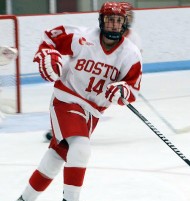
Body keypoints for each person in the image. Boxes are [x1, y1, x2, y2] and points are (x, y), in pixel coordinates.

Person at [8, 1, 142, 201]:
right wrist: (46, 53)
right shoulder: (82, 37)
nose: (113, 23)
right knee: (81, 148)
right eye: (109, 18)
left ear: (123, 23)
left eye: (118, 20)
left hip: (93, 112)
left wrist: (123, 91)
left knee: (55, 158)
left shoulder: (130, 52)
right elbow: (50, 37)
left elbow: (133, 88)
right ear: (101, 20)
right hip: (67, 99)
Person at [43, 2, 142, 142]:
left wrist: (124, 87)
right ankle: (62, 132)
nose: (115, 23)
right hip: (79, 83)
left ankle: (72, 136)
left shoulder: (133, 40)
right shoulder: (91, 37)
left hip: (100, 88)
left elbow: (129, 67)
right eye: (111, 19)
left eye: (126, 17)